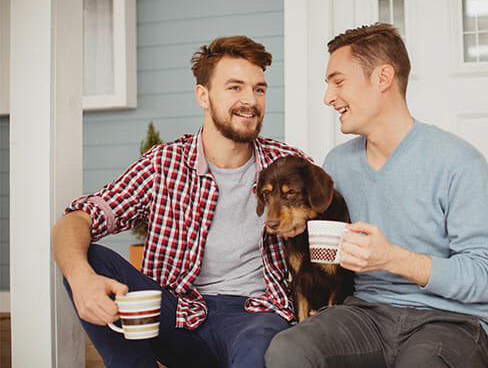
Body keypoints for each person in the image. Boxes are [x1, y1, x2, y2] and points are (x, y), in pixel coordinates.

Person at [265, 23, 488, 368]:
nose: (328, 97)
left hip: (448, 320)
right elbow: (324, 237)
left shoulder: (458, 162)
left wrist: (392, 258)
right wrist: (297, 225)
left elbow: (486, 276)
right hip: (365, 314)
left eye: (338, 82)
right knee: (286, 350)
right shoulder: (338, 164)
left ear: (382, 78)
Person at [52, 36, 307, 368]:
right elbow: (78, 218)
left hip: (254, 317)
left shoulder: (288, 163)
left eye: (259, 89)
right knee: (90, 257)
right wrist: (81, 278)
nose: (251, 100)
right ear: (203, 95)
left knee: (261, 348)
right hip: (176, 316)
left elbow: (330, 222)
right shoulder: (164, 163)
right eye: (235, 88)